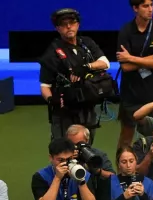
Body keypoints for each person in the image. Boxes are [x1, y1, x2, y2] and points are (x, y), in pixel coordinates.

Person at [40, 8, 111, 141]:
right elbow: (45, 86)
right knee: (64, 150)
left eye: (72, 22)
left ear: (77, 25)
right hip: (65, 113)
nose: (68, 26)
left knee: (86, 148)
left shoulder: (87, 43)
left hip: (88, 108)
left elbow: (105, 63)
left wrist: (86, 67)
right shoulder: (51, 54)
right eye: (64, 24)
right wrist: (51, 101)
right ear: (57, 28)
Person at [116, 0, 153, 150]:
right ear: (135, 8)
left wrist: (131, 58)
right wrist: (149, 59)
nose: (150, 9)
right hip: (130, 94)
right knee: (126, 138)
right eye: (145, 6)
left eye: (151, 5)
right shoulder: (125, 30)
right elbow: (125, 67)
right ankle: (121, 172)